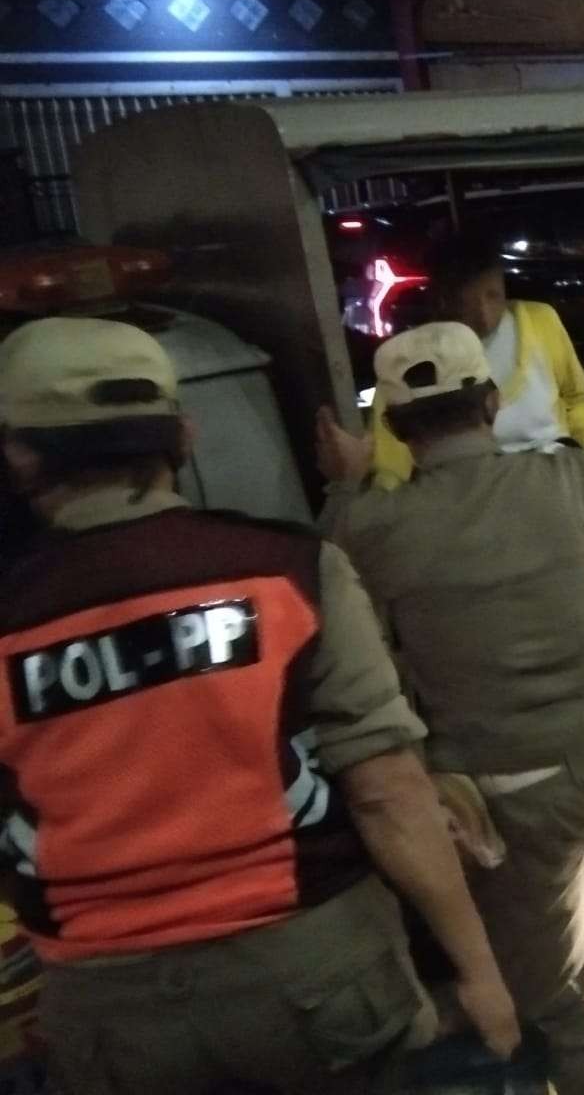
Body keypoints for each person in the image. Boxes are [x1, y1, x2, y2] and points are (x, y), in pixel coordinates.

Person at [0, 317, 518, 1094]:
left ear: (21, 453)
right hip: (315, 974)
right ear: (183, 435)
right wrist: (478, 970)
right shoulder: (288, 569)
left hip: (112, 1013)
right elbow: (387, 791)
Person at [317, 322, 584, 1095]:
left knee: (573, 999)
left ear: (394, 426)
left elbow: (326, 570)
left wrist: (346, 481)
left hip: (514, 789)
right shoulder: (567, 477)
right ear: (491, 403)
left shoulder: (372, 525)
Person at [369, 234, 584, 646]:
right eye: (469, 301)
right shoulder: (417, 361)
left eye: (494, 296)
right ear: (443, 301)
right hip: (477, 490)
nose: (485, 314)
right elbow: (390, 461)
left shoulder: (540, 321)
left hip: (558, 467)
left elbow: (575, 399)